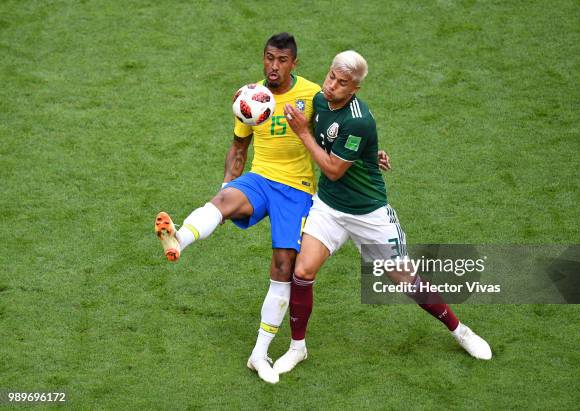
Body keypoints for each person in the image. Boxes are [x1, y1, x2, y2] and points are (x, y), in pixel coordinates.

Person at [274, 50, 492, 375]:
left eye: (342, 82)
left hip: (368, 213)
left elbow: (333, 169)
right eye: (331, 76)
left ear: (355, 90)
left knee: (405, 279)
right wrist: (369, 154)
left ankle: (460, 331)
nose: (332, 85)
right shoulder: (320, 101)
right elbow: (318, 128)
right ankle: (297, 348)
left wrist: (304, 134)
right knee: (302, 273)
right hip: (330, 208)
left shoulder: (359, 120)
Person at [154, 33, 321, 384]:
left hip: (297, 191)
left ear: (294, 64)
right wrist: (228, 183)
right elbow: (238, 147)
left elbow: (335, 128)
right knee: (223, 200)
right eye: (268, 58)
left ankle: (259, 354)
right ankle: (178, 239)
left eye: (281, 60)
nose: (273, 66)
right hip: (261, 178)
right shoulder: (250, 97)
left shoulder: (312, 95)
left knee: (282, 267)